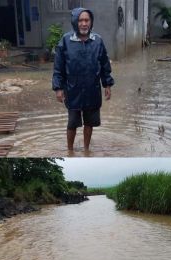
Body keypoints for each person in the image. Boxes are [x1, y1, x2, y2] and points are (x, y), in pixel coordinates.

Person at [52, 7, 114, 153]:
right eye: (80, 20)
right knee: (72, 123)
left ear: (91, 22)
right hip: (73, 89)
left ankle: (86, 149)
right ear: (75, 22)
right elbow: (58, 68)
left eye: (87, 20)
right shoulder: (65, 41)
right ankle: (70, 151)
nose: (84, 23)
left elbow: (105, 65)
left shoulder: (98, 41)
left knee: (89, 122)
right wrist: (58, 88)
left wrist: (107, 84)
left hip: (92, 89)